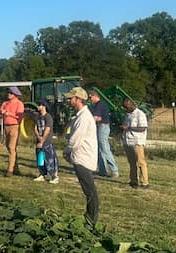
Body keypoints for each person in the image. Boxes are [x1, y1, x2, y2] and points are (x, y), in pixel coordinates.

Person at [63, 87, 99, 226]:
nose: (68, 100)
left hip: (83, 157)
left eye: (71, 98)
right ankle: (90, 218)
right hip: (82, 156)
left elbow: (75, 140)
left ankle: (90, 221)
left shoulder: (83, 117)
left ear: (78, 99)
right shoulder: (80, 116)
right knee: (89, 191)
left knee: (90, 192)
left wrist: (67, 151)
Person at [25, 99, 59, 184]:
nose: (38, 106)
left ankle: (54, 176)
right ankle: (42, 174)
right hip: (39, 141)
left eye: (39, 105)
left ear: (44, 106)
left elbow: (47, 129)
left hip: (47, 142)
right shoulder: (38, 117)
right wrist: (38, 137)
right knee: (40, 160)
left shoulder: (48, 117)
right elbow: (35, 128)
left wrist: (42, 140)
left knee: (50, 159)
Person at [89, 90, 119, 178]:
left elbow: (95, 118)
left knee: (105, 148)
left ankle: (114, 170)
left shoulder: (100, 105)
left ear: (95, 96)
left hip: (103, 127)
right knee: (99, 149)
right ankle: (102, 171)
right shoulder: (97, 105)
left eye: (91, 97)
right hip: (100, 126)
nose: (90, 99)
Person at [121, 98, 150, 189]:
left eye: (126, 107)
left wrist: (129, 128)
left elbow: (143, 128)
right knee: (132, 162)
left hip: (137, 141)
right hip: (128, 141)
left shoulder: (140, 114)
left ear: (131, 105)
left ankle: (145, 182)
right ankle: (133, 180)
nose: (125, 109)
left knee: (141, 162)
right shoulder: (128, 115)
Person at [0, 86, 25, 177]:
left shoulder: (19, 104)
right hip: (6, 127)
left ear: (15, 94)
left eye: (11, 93)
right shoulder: (5, 103)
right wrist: (1, 113)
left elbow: (20, 117)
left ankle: (10, 171)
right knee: (9, 148)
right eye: (8, 92)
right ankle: (15, 167)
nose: (8, 94)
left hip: (14, 126)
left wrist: (9, 114)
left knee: (11, 147)